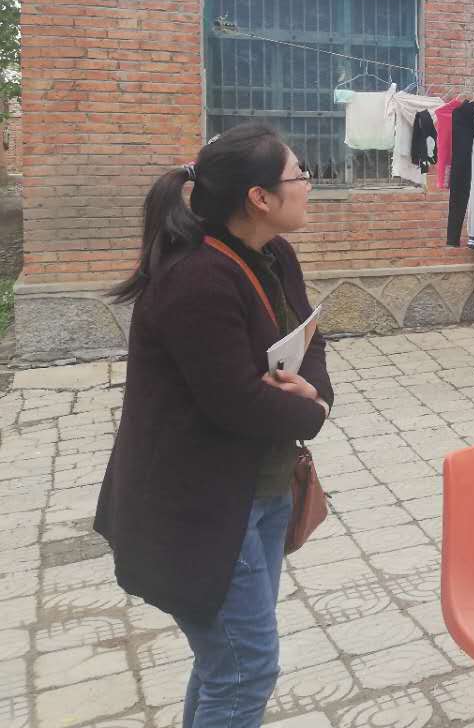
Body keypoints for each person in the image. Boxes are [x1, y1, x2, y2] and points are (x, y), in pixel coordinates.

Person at [95, 124, 333, 728]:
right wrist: (313, 412)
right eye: (299, 174)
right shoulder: (195, 278)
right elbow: (234, 401)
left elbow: (308, 336)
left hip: (262, 488)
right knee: (245, 668)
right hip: (201, 507)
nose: (309, 185)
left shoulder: (274, 252)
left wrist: (317, 392)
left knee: (226, 662)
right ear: (259, 197)